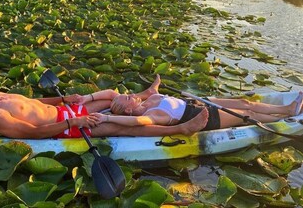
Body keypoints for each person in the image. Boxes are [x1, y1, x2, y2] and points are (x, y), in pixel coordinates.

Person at [0, 77, 209, 139]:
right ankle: (180, 129)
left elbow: (36, 104)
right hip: (64, 129)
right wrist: (74, 123)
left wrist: (64, 100)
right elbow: (33, 132)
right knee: (115, 126)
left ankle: (145, 95)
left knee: (110, 98)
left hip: (65, 113)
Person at [91, 75, 303, 130]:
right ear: (128, 108)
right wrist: (107, 117)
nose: (131, 94)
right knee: (249, 116)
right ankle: (287, 114)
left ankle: (285, 108)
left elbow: (150, 92)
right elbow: (135, 123)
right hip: (206, 117)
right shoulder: (151, 116)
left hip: (199, 102)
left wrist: (93, 98)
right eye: (128, 97)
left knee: (245, 101)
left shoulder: (150, 100)